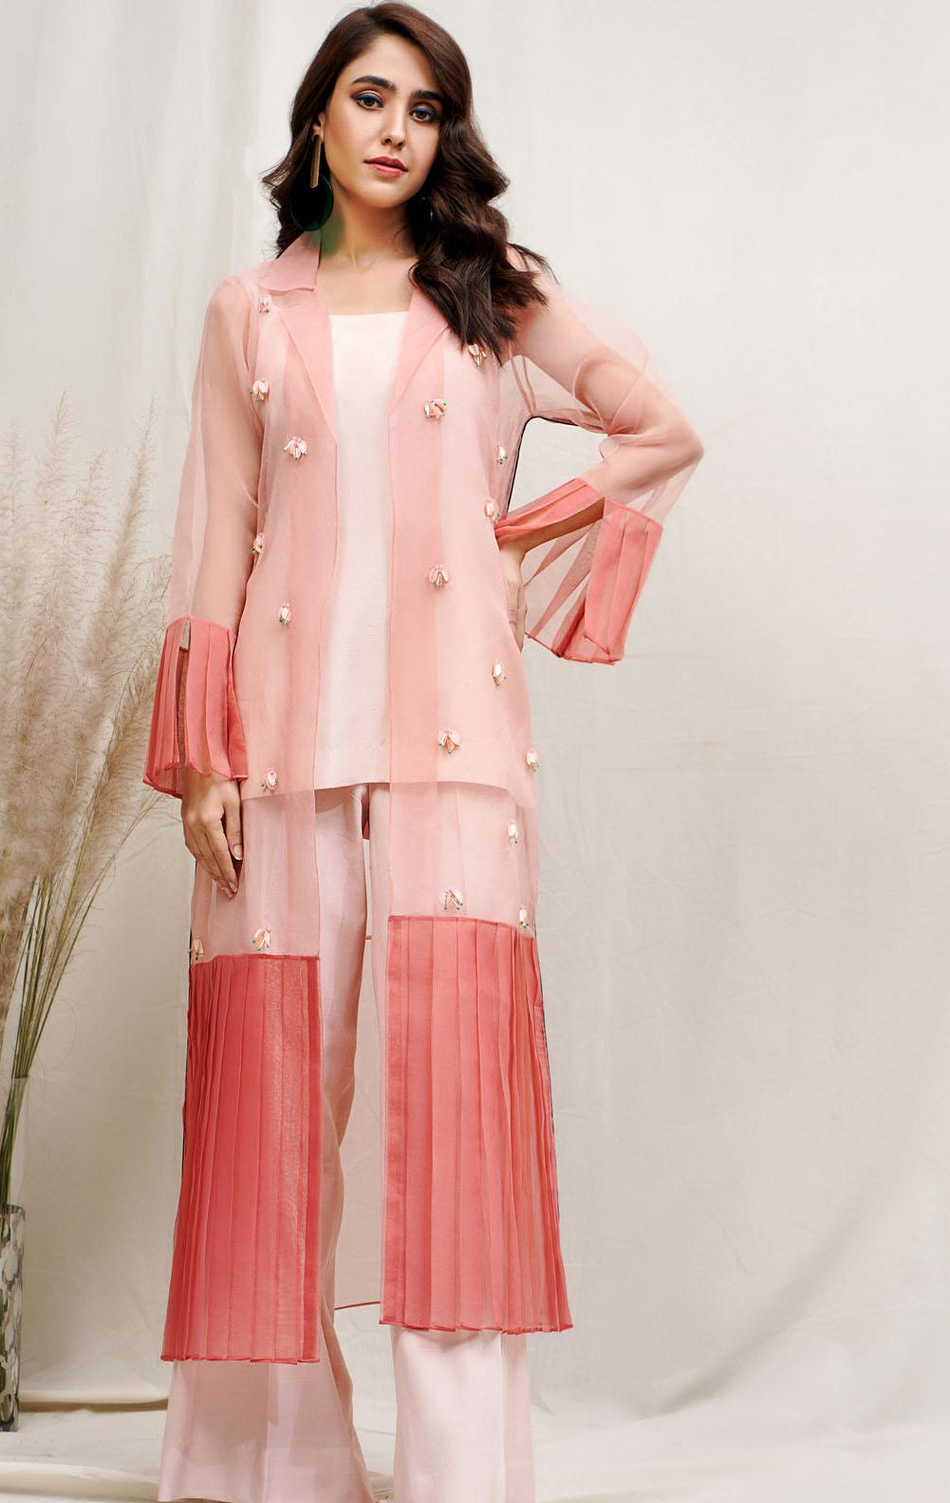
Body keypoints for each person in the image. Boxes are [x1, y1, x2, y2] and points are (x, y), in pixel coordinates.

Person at [143, 5, 704, 1500]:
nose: (397, 129)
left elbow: (657, 430)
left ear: (447, 134)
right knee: (270, 1109)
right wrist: (203, 761)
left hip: (454, 747)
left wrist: (515, 544)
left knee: (459, 1108)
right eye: (370, 97)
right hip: (277, 751)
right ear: (319, 119)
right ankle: (271, 1469)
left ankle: (462, 1476)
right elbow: (215, 537)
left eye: (427, 107)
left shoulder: (492, 295)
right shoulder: (248, 312)